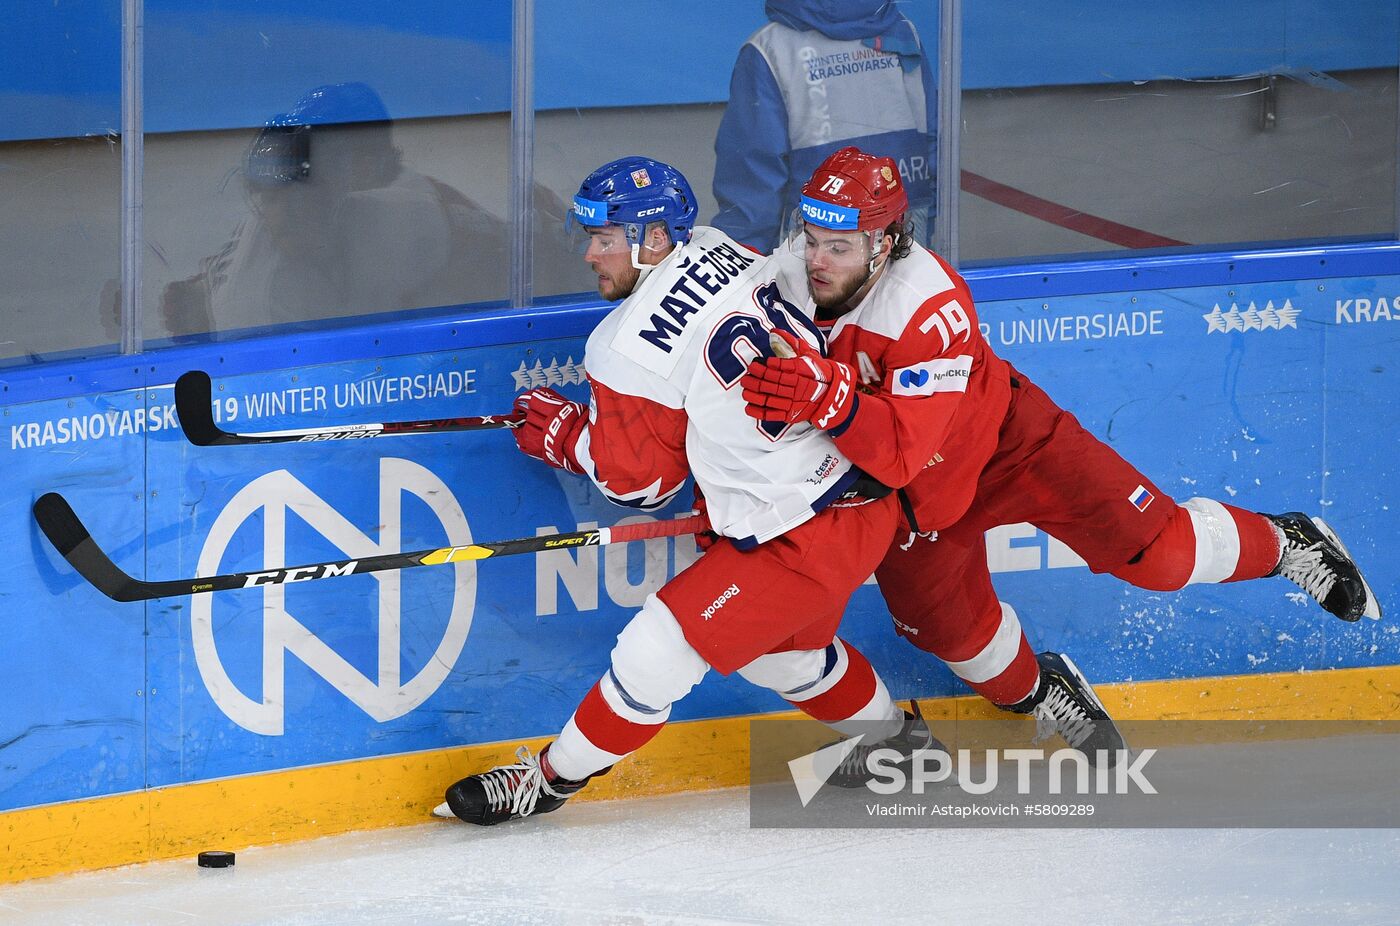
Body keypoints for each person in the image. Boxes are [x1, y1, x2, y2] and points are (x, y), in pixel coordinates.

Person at [740, 146, 1382, 760]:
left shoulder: (927, 305)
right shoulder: (792, 270)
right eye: (813, 239)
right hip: (912, 502)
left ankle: (1287, 543)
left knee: (1161, 556)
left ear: (885, 243)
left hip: (1008, 443)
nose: (817, 261)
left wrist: (830, 398)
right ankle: (1043, 689)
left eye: (840, 247)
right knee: (955, 637)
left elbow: (906, 446)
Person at [435, 156, 935, 826]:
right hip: (857, 494)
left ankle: (548, 783)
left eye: (605, 238)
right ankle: (903, 747)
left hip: (799, 529)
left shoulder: (622, 349)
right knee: (781, 661)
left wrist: (569, 438)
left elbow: (642, 486)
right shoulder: (720, 244)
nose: (590, 254)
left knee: (653, 653)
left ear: (652, 238)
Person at [154, 82, 575, 339]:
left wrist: (549, 241)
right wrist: (192, 303)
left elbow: (504, 248)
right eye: (269, 199)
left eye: (296, 199)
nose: (281, 214)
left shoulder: (400, 212)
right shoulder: (256, 290)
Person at [712, 0, 937, 255]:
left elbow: (751, 180)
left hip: (818, 243)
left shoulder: (770, 48)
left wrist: (741, 267)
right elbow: (934, 142)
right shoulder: (904, 31)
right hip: (902, 231)